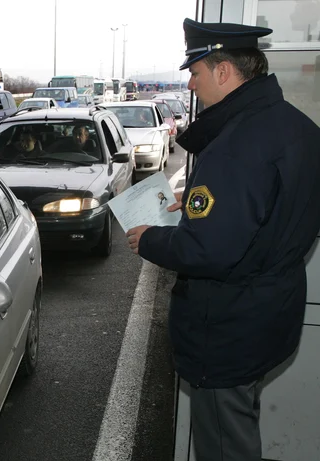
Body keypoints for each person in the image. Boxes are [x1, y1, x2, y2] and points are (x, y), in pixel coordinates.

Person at [125, 18, 320, 461]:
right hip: (268, 315)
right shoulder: (296, 128)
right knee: (238, 426)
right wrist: (195, 199)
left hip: (228, 328)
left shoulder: (235, 145)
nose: (191, 85)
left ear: (224, 71)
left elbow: (208, 250)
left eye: (194, 73)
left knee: (223, 445)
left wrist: (150, 239)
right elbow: (270, 205)